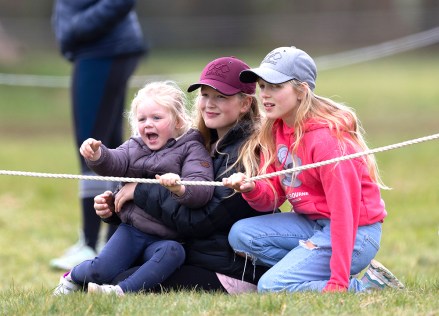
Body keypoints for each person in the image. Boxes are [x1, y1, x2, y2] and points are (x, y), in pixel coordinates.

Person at [222, 46, 405, 293]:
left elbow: (344, 214)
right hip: (313, 224)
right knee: (241, 235)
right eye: (262, 86)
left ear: (301, 91)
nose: (265, 94)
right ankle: (300, 272)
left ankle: (368, 288)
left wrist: (339, 283)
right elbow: (274, 197)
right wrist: (252, 188)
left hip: (355, 234)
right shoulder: (276, 130)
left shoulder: (327, 141)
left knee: (271, 286)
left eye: (275, 87)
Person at [94, 56, 273, 294]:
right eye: (205, 95)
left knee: (122, 282)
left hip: (230, 270)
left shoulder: (248, 155)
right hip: (196, 256)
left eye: (221, 97)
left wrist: (139, 191)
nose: (209, 103)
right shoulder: (201, 145)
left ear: (244, 104)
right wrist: (117, 208)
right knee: (111, 273)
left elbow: (198, 222)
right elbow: (170, 212)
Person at [53, 81, 215, 296]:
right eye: (142, 119)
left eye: (157, 118)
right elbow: (114, 162)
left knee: (174, 253)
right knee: (101, 270)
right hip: (132, 231)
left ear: (177, 120)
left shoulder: (192, 147)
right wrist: (98, 155)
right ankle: (72, 277)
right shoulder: (134, 146)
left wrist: (180, 188)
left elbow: (201, 187)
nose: (148, 124)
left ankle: (119, 292)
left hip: (169, 237)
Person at [50, 0, 147, 270]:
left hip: (103, 49)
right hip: (98, 49)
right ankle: (110, 239)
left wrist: (74, 27)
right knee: (109, 147)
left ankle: (91, 243)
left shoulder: (92, 38)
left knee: (90, 144)